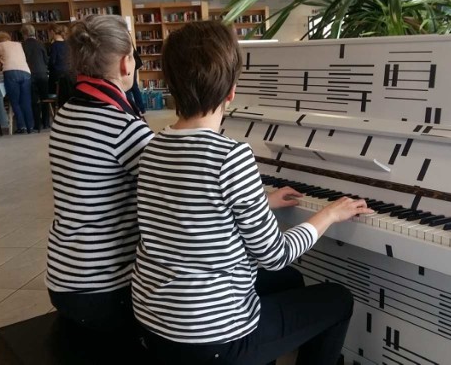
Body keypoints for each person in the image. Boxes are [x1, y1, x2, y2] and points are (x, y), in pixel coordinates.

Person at [131, 21, 374, 365]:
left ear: (169, 84)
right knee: (337, 300)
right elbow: (275, 255)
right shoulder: (230, 154)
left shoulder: (153, 146)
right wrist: (329, 214)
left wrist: (263, 201)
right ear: (231, 91)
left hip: (154, 321)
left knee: (289, 281)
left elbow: (194, 210)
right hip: (211, 337)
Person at [45, 15, 153, 348]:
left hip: (62, 279)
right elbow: (175, 193)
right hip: (106, 292)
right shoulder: (123, 126)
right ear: (126, 62)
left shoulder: (66, 113)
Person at [0, 31, 34, 134]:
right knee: (26, 101)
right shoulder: (18, 44)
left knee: (15, 102)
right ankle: (30, 126)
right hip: (26, 72)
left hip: (11, 73)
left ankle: (22, 126)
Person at [21, 24, 50, 131]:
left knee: (34, 100)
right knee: (45, 99)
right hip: (43, 74)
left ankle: (37, 124)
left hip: (30, 74)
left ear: (24, 34)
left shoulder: (23, 45)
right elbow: (46, 60)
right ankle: (46, 122)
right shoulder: (40, 44)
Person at [48, 23, 72, 106]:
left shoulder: (54, 45)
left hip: (57, 75)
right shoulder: (68, 44)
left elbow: (52, 62)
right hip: (69, 74)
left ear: (52, 32)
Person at [126, 47, 147, 116]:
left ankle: (132, 111)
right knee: (134, 88)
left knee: (127, 89)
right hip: (132, 62)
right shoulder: (127, 37)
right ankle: (141, 109)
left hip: (128, 63)